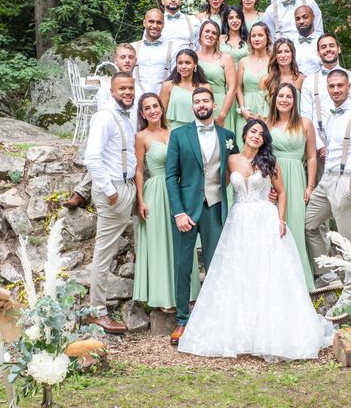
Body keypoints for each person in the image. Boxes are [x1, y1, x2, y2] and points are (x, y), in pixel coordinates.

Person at [178, 119, 333, 360]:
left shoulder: (269, 162)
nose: (256, 136)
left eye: (261, 134)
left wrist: (281, 220)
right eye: (253, 132)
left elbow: (281, 193)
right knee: (240, 272)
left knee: (268, 272)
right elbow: (216, 185)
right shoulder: (230, 161)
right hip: (239, 221)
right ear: (244, 134)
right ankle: (242, 332)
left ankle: (269, 333)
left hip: (265, 218)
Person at [304, 70, 351, 321]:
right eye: (331, 86)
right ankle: (329, 273)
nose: (335, 90)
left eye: (340, 86)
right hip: (328, 180)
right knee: (310, 224)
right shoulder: (328, 115)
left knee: (349, 242)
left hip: (348, 182)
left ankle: (350, 296)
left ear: (349, 87)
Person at [165, 87, 238, 345]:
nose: (201, 104)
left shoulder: (228, 136)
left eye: (206, 100)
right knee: (184, 266)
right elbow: (171, 176)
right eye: (197, 101)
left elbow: (241, 167)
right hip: (186, 210)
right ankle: (183, 320)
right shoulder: (178, 135)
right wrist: (178, 212)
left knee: (216, 265)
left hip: (215, 207)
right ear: (192, 106)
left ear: (214, 105)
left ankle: (215, 319)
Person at [133, 93, 200, 310]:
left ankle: (186, 294)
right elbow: (140, 170)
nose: (152, 110)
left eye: (155, 106)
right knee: (159, 242)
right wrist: (140, 200)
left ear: (162, 108)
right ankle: (163, 297)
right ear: (142, 113)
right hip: (155, 191)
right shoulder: (141, 137)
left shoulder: (175, 132)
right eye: (147, 108)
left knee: (181, 241)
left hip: (178, 190)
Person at [85, 72, 137, 334]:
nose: (127, 92)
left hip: (128, 186)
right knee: (104, 252)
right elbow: (92, 158)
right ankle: (97, 312)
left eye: (130, 88)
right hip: (113, 190)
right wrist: (110, 191)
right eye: (122, 89)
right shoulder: (104, 117)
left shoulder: (125, 118)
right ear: (112, 91)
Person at [64, 44, 142, 209]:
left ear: (136, 60)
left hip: (133, 136)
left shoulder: (140, 89)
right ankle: (81, 193)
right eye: (123, 57)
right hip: (113, 135)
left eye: (130, 57)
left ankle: (81, 193)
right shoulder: (106, 89)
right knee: (100, 158)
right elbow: (106, 118)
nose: (127, 61)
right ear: (115, 60)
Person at [266, 83, 317, 292]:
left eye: (289, 96)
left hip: (296, 178)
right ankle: (277, 283)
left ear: (294, 101)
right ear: (274, 99)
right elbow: (261, 157)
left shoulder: (305, 123)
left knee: (295, 227)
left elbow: (312, 156)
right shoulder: (267, 125)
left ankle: (299, 283)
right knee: (276, 229)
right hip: (274, 179)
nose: (284, 100)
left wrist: (310, 185)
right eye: (281, 96)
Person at [300, 33, 351, 165]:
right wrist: (320, 147)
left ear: (338, 49)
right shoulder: (309, 81)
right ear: (318, 53)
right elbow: (306, 118)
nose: (328, 49)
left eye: (331, 45)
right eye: (323, 47)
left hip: (348, 147)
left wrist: (344, 145)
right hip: (320, 149)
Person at [132, 8, 186, 95]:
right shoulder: (133, 48)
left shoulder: (174, 48)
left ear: (164, 25)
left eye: (159, 22)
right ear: (144, 23)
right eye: (151, 21)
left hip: (163, 100)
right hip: (136, 101)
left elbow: (178, 78)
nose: (155, 26)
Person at [196, 20, 237, 133]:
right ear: (200, 34)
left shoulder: (226, 58)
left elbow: (232, 88)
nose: (210, 35)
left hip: (220, 104)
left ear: (218, 38)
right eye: (207, 31)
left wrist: (222, 114)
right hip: (198, 104)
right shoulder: (193, 57)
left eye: (214, 33)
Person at [235, 22, 271, 146]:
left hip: (266, 107)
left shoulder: (273, 61)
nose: (256, 39)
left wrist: (266, 113)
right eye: (253, 36)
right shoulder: (243, 61)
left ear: (267, 37)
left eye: (260, 35)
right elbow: (238, 87)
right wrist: (242, 108)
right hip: (246, 108)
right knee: (243, 145)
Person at [160, 49, 212, 130]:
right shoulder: (168, 85)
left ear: (195, 65)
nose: (183, 66)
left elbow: (209, 115)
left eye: (187, 63)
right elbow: (161, 114)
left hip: (198, 131)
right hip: (173, 132)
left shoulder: (205, 87)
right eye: (180, 63)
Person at [259, 37, 304, 114]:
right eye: (279, 52)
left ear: (292, 54)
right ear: (275, 57)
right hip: (272, 124)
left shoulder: (301, 79)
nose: (283, 55)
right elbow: (261, 111)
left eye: (287, 51)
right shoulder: (266, 80)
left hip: (296, 124)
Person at [291, 6, 321, 76]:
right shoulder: (291, 45)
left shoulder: (322, 42)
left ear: (313, 17)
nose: (301, 21)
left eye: (305, 17)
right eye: (297, 19)